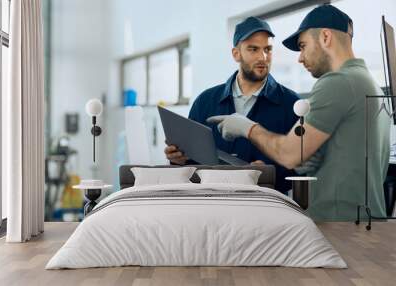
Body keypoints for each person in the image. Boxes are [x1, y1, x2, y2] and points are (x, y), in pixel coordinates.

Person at [208, 5, 390, 221]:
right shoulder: (370, 85)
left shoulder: (337, 83)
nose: (300, 58)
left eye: (303, 46)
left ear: (325, 37)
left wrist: (247, 128)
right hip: (362, 221)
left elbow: (289, 154)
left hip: (339, 225)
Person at [164, 17, 300, 194]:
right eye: (253, 49)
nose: (263, 57)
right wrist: (178, 160)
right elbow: (191, 167)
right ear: (236, 53)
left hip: (267, 206)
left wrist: (271, 172)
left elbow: (300, 167)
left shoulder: (291, 104)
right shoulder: (205, 101)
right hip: (213, 202)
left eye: (268, 49)